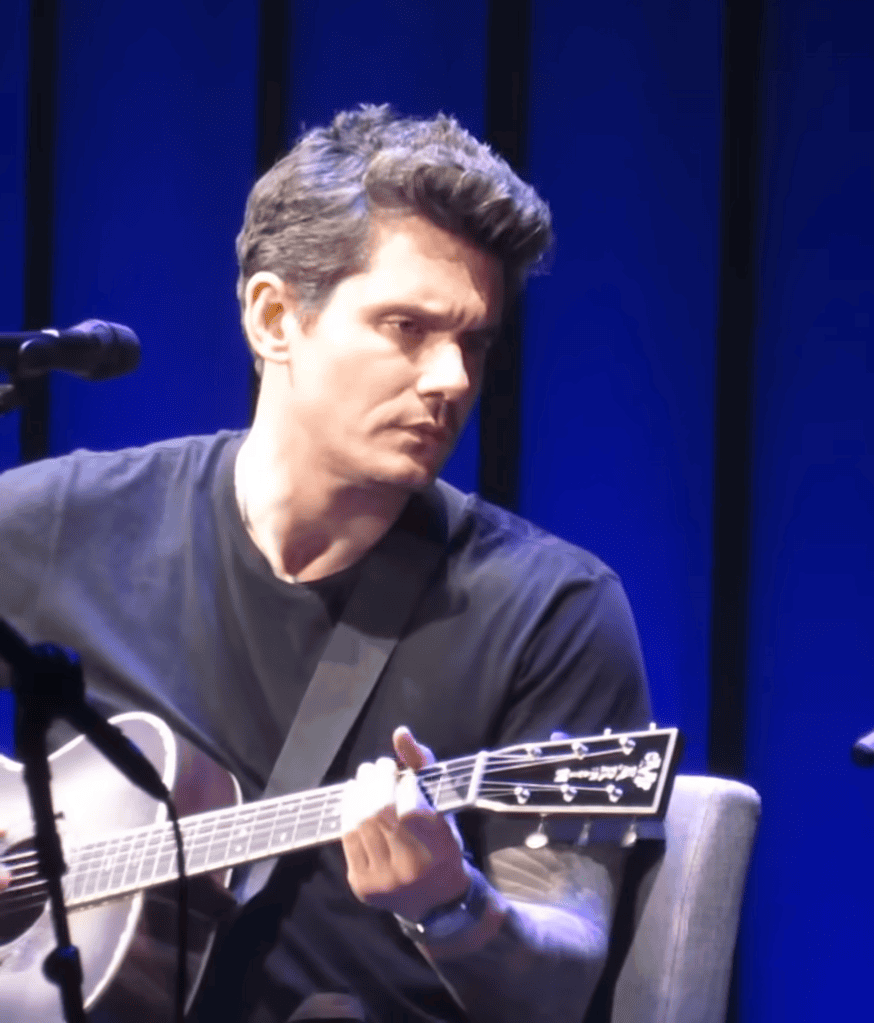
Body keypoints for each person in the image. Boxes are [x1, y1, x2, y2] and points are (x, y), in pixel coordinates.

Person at [0, 107, 655, 1022]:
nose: (451, 381)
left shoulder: (551, 609)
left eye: (472, 342)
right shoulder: (62, 525)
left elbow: (562, 982)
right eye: (407, 328)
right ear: (275, 317)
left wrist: (452, 904)